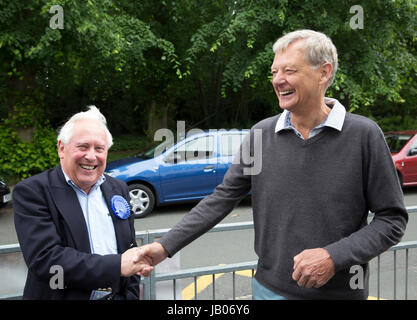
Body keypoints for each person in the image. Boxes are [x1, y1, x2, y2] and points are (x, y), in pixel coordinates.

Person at [138, 29, 408, 300]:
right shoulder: (261, 134)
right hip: (269, 291)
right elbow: (221, 199)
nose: (278, 80)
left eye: (289, 70)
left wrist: (332, 256)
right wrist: (165, 247)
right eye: (274, 71)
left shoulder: (364, 135)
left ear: (324, 73)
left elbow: (391, 220)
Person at [13, 106, 153, 300]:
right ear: (62, 148)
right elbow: (47, 260)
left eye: (99, 148)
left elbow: (128, 248)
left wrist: (129, 295)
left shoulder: (118, 188)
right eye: (83, 146)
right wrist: (118, 265)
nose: (91, 156)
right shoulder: (32, 191)